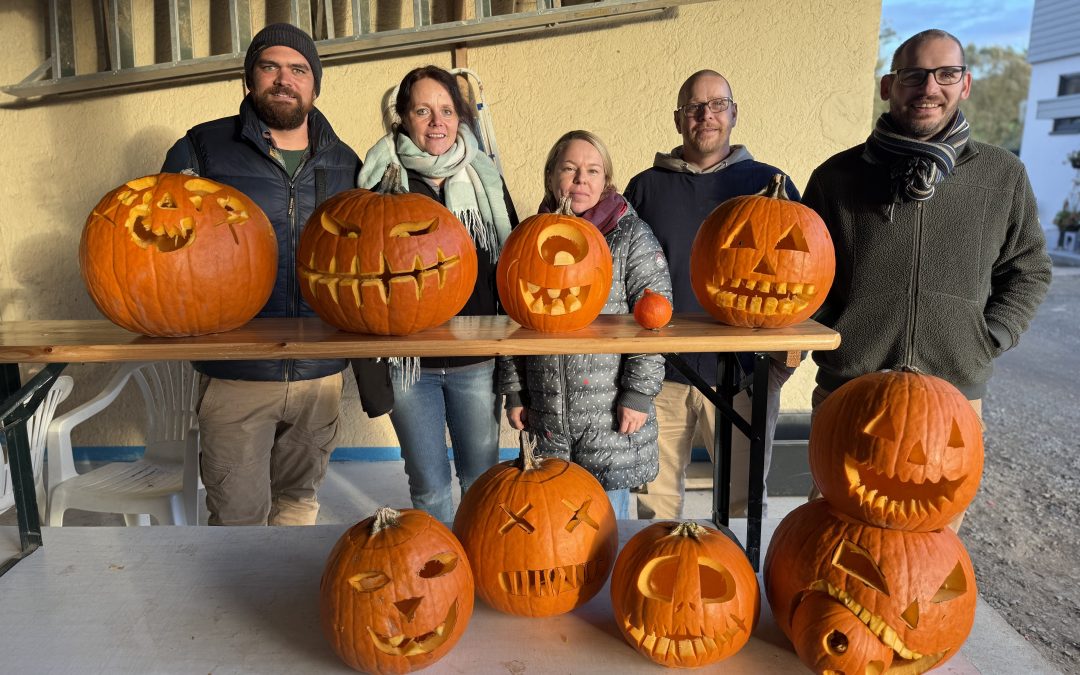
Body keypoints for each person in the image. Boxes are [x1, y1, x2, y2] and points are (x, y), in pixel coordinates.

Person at [161, 23, 361, 525]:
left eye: (298, 70)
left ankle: (283, 581)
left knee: (298, 504)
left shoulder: (346, 163)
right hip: (237, 370)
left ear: (314, 85)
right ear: (249, 79)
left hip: (319, 372)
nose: (284, 79)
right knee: (237, 518)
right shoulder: (201, 150)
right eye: (270, 67)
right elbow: (161, 250)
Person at [803, 29, 1051, 423]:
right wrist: (836, 333)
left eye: (947, 74)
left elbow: (1029, 269)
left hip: (955, 396)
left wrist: (991, 335)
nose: (930, 88)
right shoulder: (835, 176)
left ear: (965, 84)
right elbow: (803, 272)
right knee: (834, 468)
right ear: (888, 86)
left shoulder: (1003, 174)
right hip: (848, 388)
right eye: (914, 75)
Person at [625, 70, 796, 520]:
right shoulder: (645, 187)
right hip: (660, 374)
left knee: (742, 506)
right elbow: (618, 276)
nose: (706, 115)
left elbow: (803, 273)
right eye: (694, 107)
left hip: (744, 374)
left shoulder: (769, 184)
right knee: (655, 507)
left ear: (734, 113)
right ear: (678, 118)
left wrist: (782, 364)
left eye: (718, 104)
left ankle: (735, 567)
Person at [355, 65, 517, 523]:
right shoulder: (379, 183)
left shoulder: (484, 178)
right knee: (428, 483)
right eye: (422, 111)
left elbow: (512, 269)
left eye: (446, 110)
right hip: (409, 364)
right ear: (403, 118)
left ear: (460, 117)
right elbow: (358, 280)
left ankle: (478, 554)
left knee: (480, 478)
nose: (436, 122)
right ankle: (439, 563)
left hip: (476, 359)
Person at [499, 130, 672, 519]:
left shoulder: (631, 236)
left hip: (610, 416)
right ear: (551, 176)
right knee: (555, 522)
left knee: (605, 522)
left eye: (593, 170)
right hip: (547, 413)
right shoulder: (527, 238)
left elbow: (655, 322)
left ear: (605, 180)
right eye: (569, 169)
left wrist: (638, 395)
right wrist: (514, 391)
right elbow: (511, 319)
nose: (581, 180)